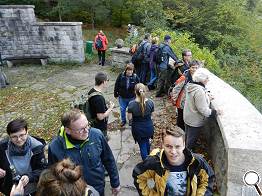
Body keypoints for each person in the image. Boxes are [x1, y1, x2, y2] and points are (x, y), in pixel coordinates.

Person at [48, 109, 120, 196]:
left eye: (87, 125)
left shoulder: (97, 135)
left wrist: (115, 182)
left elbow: (109, 159)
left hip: (98, 188)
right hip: (74, 193)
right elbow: (53, 176)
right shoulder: (54, 147)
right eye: (81, 129)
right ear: (68, 130)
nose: (87, 131)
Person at [132, 126, 215, 195]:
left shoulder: (196, 162)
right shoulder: (155, 162)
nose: (173, 152)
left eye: (177, 146)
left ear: (184, 145)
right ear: (162, 145)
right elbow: (138, 175)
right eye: (168, 146)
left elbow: (208, 179)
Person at [0, 119, 47, 196]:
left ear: (27, 132)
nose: (19, 140)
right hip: (11, 187)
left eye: (22, 135)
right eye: (14, 137)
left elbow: (43, 169)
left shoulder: (37, 147)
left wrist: (29, 176)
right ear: (9, 136)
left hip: (33, 187)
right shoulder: (2, 147)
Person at [183, 68, 221, 150]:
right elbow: (204, 110)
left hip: (188, 116)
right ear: (202, 79)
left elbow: (196, 101)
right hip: (194, 120)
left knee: (187, 137)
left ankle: (186, 152)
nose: (208, 80)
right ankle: (187, 156)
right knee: (190, 141)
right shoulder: (199, 91)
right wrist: (216, 112)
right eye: (207, 78)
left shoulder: (191, 85)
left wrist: (207, 97)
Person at [128, 83, 154, 160]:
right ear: (144, 91)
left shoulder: (131, 104)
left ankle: (146, 163)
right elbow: (152, 115)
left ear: (135, 92)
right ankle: (149, 159)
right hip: (149, 127)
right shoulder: (151, 102)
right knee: (147, 143)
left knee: (142, 145)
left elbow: (129, 118)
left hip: (138, 128)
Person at [171, 60, 200, 130]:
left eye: (196, 68)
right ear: (189, 67)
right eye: (193, 67)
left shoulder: (198, 77)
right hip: (182, 102)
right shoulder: (184, 77)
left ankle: (184, 132)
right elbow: (176, 89)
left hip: (189, 102)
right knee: (180, 118)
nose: (194, 69)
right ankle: (179, 133)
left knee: (186, 118)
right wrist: (174, 100)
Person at [88, 72, 114, 139]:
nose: (107, 82)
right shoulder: (99, 98)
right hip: (99, 127)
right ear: (104, 82)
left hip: (93, 123)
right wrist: (110, 108)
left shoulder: (92, 91)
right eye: (107, 80)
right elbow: (100, 117)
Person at [114, 62, 140, 127]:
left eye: (131, 70)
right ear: (126, 70)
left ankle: (131, 120)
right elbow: (116, 84)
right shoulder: (121, 75)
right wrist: (115, 94)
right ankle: (123, 120)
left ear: (133, 70)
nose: (130, 72)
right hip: (122, 97)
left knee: (131, 110)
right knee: (122, 109)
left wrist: (138, 95)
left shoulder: (135, 77)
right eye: (128, 70)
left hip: (132, 97)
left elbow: (138, 86)